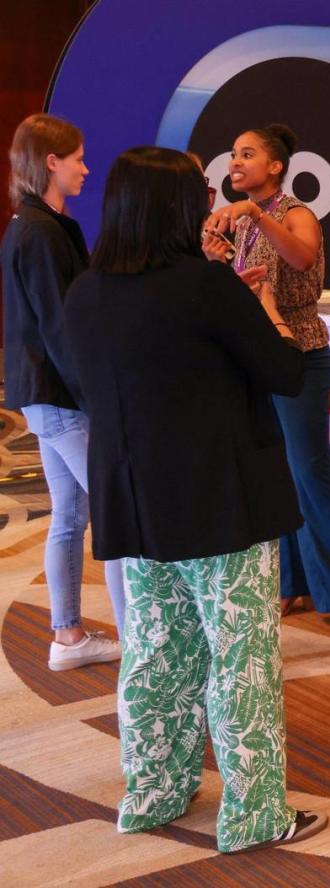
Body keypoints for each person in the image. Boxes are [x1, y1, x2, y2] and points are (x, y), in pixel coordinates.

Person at [63, 146, 325, 853]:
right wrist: (261, 304)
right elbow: (283, 372)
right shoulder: (207, 287)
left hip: (136, 502)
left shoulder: (87, 290)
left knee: (155, 655)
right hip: (222, 502)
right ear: (177, 208)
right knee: (240, 662)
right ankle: (253, 816)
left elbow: (73, 375)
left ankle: (150, 792)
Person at [207, 124, 330, 637]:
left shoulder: (295, 213)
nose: (236, 161)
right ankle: (292, 584)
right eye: (233, 153)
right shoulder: (240, 221)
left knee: (311, 472)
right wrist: (220, 260)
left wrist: (254, 214)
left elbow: (303, 259)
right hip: (258, 356)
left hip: (300, 353)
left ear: (275, 167)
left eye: (247, 154)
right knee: (278, 473)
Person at [0, 112, 125, 670]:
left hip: (45, 395)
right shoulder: (39, 231)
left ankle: (67, 637)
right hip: (60, 397)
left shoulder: (39, 225)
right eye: (77, 158)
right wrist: (100, 392)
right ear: (51, 161)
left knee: (71, 515)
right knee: (118, 513)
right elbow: (61, 326)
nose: (86, 167)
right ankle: (140, 642)